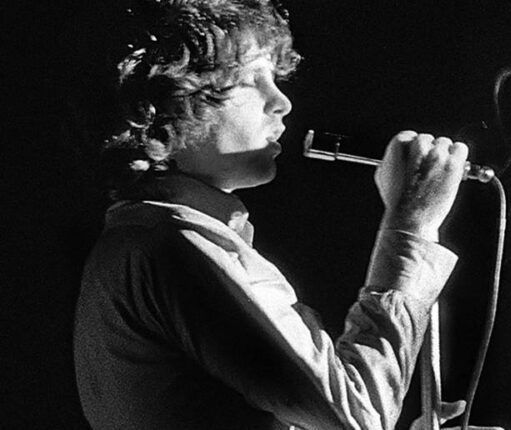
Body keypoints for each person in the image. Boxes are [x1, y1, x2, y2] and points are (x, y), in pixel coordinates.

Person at [73, 1, 471, 429]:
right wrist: (411, 226)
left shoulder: (152, 237)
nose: (281, 102)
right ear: (169, 104)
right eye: (250, 80)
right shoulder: (171, 243)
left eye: (275, 80)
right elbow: (357, 417)